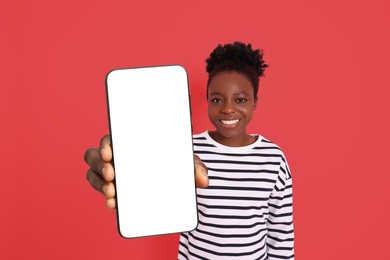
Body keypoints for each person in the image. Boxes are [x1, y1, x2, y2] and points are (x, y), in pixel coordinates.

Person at [85, 42, 294, 259]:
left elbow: (281, 238)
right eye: (217, 99)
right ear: (207, 100)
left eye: (240, 100)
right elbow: (155, 187)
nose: (228, 108)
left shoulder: (274, 159)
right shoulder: (186, 148)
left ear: (255, 102)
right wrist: (128, 172)